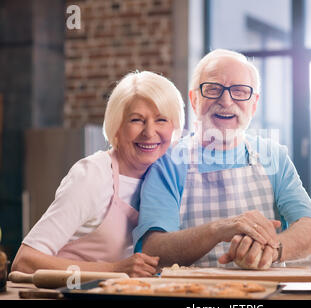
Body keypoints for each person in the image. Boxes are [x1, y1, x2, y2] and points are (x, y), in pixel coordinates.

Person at [133, 49, 311, 269]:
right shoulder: (168, 162)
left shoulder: (274, 157)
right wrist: (218, 229)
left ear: (254, 103)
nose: (226, 100)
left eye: (240, 91)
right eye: (213, 89)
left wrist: (272, 249)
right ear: (194, 100)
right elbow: (153, 250)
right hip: (193, 297)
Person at [11, 71, 185, 276]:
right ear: (117, 126)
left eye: (161, 120)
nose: (149, 132)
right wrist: (114, 270)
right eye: (136, 120)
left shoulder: (168, 176)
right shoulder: (93, 175)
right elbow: (25, 261)